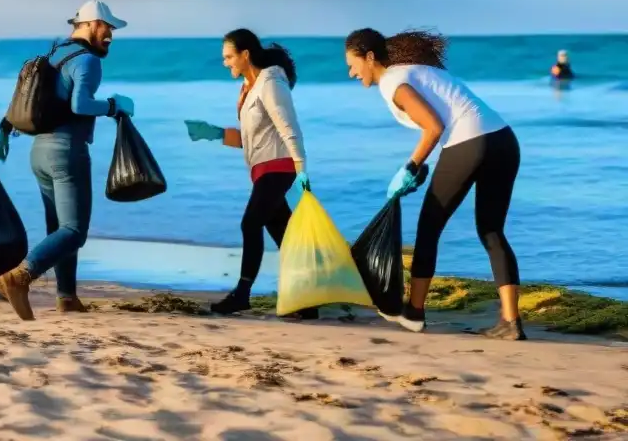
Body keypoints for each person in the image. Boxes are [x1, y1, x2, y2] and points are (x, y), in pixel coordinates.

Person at [344, 28, 524, 340]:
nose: (351, 73)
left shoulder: (392, 83)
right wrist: (423, 164)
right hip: (504, 140)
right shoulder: (414, 71)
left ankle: (414, 312)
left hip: (469, 143)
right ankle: (510, 321)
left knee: (429, 228)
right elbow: (445, 118)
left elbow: (434, 127)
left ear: (370, 57)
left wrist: (410, 166)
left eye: (352, 64)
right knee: (492, 230)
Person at [0, 0, 135, 321]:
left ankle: (66, 297)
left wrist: (3, 131)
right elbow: (81, 105)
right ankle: (19, 277)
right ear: (89, 24)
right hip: (67, 152)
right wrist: (115, 105)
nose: (110, 33)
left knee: (58, 227)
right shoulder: (87, 61)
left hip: (39, 152)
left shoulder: (52, 55)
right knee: (74, 231)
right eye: (107, 26)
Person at [183, 29, 317, 318]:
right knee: (285, 235)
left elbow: (289, 127)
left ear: (246, 54)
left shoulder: (271, 83)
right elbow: (250, 139)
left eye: (229, 56)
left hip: (280, 167)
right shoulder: (248, 89)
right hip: (263, 170)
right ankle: (309, 302)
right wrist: (214, 133)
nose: (225, 63)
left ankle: (242, 294)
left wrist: (302, 168)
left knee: (250, 224)